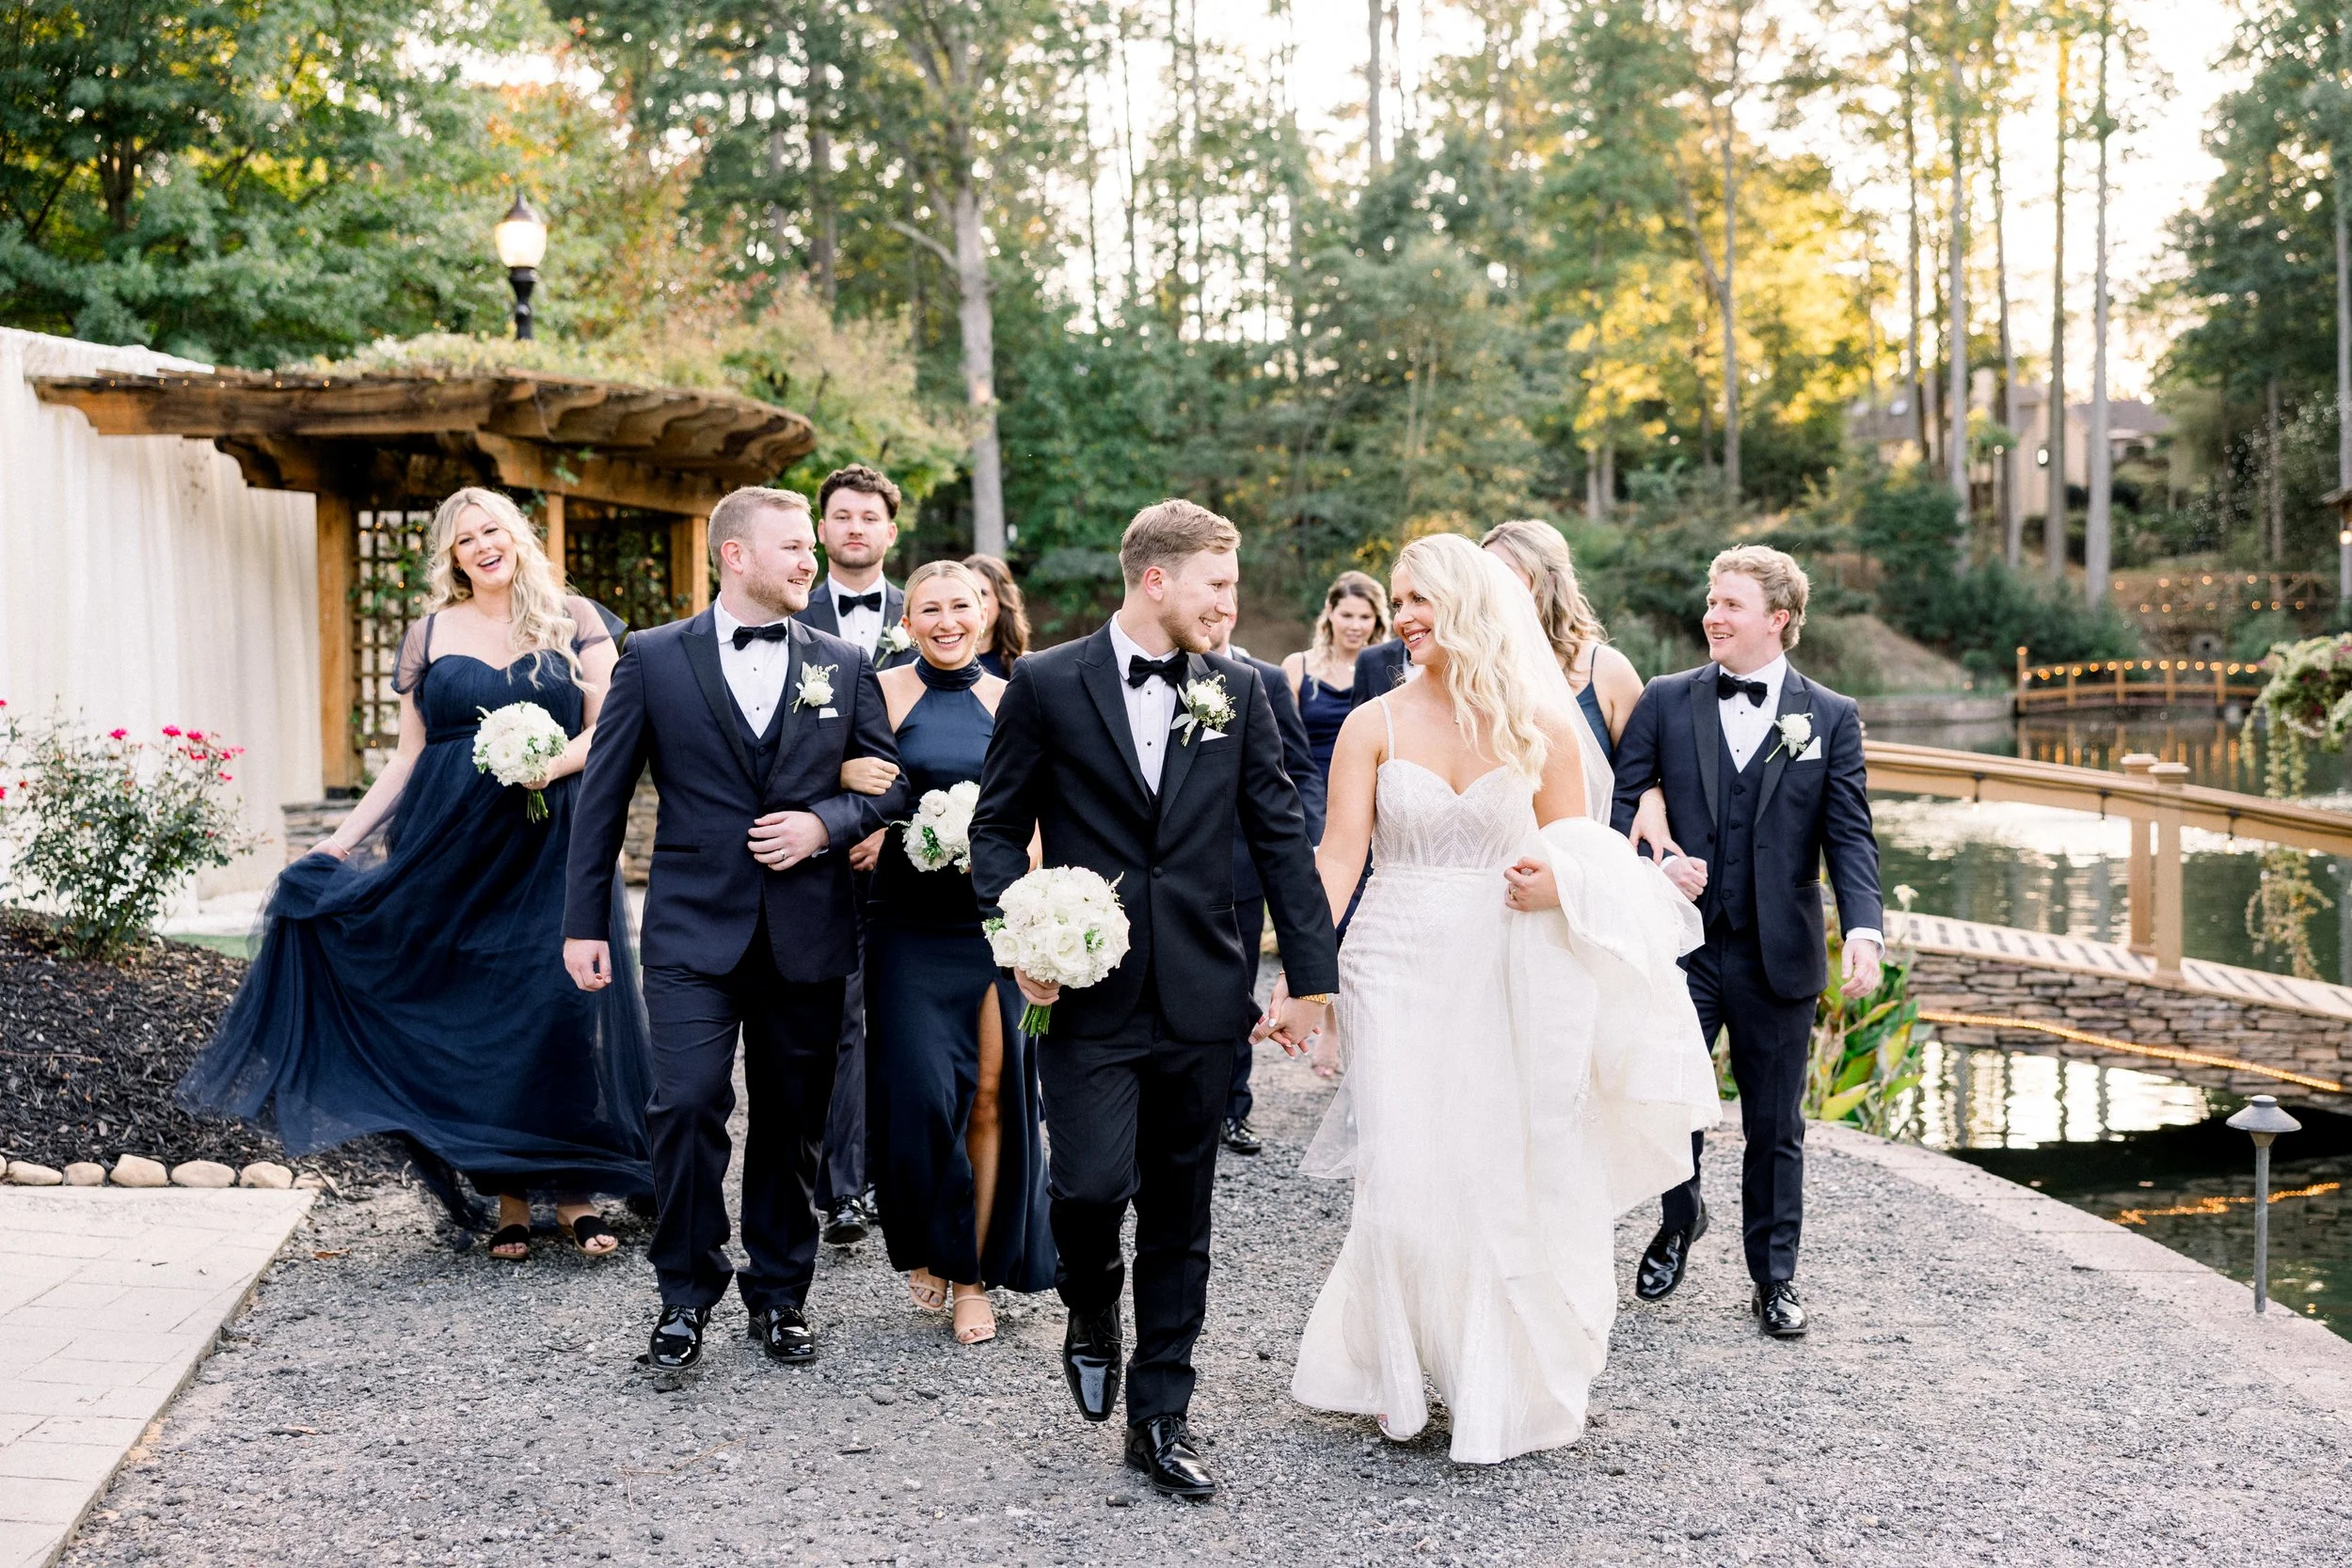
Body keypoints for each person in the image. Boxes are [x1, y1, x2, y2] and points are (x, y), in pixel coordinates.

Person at [1285, 532, 1718, 1465]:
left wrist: (1560, 886)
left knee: (1484, 1164)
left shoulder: (1542, 724)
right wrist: (1303, 979)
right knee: (1399, 1165)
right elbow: (1335, 858)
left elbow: (1585, 851)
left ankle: (1489, 1380)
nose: (1402, 617)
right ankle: (1398, 1380)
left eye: (1419, 600)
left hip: (1498, 954)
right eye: (1397, 600)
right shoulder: (1374, 724)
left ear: (1470, 607)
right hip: (1390, 957)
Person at [969, 499, 1336, 1500]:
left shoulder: (1247, 688)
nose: (1232, 602)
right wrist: (1017, 940)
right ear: (1156, 579)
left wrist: (1310, 979)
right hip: (1084, 994)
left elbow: (1278, 840)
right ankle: (1090, 1306)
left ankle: (1160, 1412)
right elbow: (997, 829)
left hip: (1201, 992)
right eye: (1218, 583)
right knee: (1088, 1188)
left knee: (1181, 1211)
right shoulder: (1044, 684)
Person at [180, 487, 652, 1259]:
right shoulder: (429, 632)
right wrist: (335, 844)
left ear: (516, 535)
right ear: (452, 557)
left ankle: (573, 1194)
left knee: (558, 1003)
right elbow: (405, 758)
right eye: (464, 539)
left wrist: (546, 764)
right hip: (447, 848)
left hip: (550, 844)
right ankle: (505, 1197)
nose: (481, 546)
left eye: (491, 529)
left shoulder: (577, 618)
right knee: (479, 1005)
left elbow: (611, 730)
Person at [564, 485, 908, 1371]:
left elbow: (890, 784)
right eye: (792, 546)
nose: (810, 559)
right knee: (682, 1105)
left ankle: (782, 1295)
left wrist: (824, 826)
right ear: (736, 556)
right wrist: (582, 922)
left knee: (793, 1122)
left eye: (810, 546)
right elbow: (602, 797)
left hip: (808, 928)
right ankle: (684, 1292)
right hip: (690, 929)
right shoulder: (654, 657)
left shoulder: (842, 659)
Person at [1613, 545, 1883, 1339]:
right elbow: (1619, 807)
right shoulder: (1665, 701)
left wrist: (1863, 928)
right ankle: (1679, 1214)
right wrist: (1657, 864)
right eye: (1711, 600)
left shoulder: (1829, 715)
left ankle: (1775, 1279)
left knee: (1776, 1127)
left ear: (1779, 620)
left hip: (1781, 952)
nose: (1712, 615)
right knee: (1670, 1103)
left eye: (1730, 604)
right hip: (1682, 947)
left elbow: (1850, 838)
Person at [851, 562, 1054, 1347]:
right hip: (905, 922)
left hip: (987, 922)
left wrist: (1020, 866)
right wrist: (868, 814)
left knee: (991, 1095)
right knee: (920, 1098)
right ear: (908, 621)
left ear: (986, 611)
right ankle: (931, 1234)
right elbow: (852, 782)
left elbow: (1037, 809)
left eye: (959, 606)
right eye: (927, 608)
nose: (945, 620)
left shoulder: (1014, 696)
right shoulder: (882, 692)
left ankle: (969, 1273)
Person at [794, 463, 916, 1247]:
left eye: (868, 517)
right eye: (841, 516)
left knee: (898, 1017)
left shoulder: (930, 610)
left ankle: (893, 1172)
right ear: (821, 529)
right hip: (816, 849)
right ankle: (839, 1186)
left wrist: (885, 820)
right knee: (833, 1016)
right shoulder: (785, 609)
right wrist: (843, 809)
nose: (855, 529)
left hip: (911, 848)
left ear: (890, 531)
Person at [1215, 608, 1325, 1156]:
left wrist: (1304, 838)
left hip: (1241, 863)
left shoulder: (1265, 679)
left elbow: (1298, 769)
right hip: (1167, 870)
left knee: (1237, 988)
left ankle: (1233, 1110)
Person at [1480, 519, 1643, 763]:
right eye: (1482, 575)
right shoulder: (1474, 667)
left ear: (1548, 583)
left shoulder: (1608, 670)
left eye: (1503, 572)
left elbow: (1640, 778)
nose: (1489, 586)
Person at [1280, 571, 1390, 785]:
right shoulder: (1296, 666)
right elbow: (1281, 742)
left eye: (1365, 617)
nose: (1355, 626)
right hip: (1306, 789)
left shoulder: (1388, 669)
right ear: (1330, 611)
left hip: (1368, 786)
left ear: (1377, 620)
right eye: (1347, 615)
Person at [962, 551, 1031, 678]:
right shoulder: (924, 666)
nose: (971, 600)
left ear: (1002, 601)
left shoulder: (1028, 667)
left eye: (982, 593)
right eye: (965, 592)